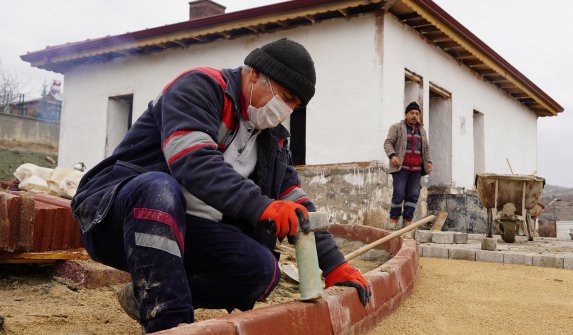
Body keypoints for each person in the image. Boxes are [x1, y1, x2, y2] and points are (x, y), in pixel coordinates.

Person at [71, 38, 370, 333]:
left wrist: (333, 264)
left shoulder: (273, 138)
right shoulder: (200, 87)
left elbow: (296, 201)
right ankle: (171, 322)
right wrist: (262, 206)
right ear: (254, 73)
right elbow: (193, 161)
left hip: (185, 230)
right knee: (159, 189)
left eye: (295, 105)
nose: (286, 110)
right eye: (285, 96)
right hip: (116, 216)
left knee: (261, 271)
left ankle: (145, 296)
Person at [383, 101, 432, 229]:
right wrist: (393, 155)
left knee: (413, 195)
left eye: (417, 113)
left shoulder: (422, 131)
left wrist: (429, 162)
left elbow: (426, 149)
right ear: (406, 114)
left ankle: (407, 222)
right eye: (412, 113)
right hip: (401, 168)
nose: (414, 116)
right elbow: (388, 143)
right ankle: (393, 220)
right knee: (399, 194)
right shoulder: (396, 127)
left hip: (416, 170)